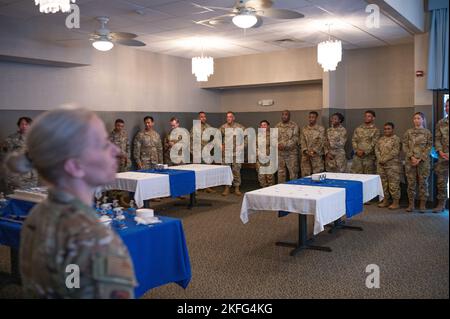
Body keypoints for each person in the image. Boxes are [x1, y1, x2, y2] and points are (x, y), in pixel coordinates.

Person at [5, 108, 136, 298]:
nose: (116, 150)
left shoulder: (39, 212)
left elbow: (69, 285)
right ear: (74, 166)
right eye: (102, 144)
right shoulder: (90, 236)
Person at [403, 112, 432, 213]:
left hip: (423, 162)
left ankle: (422, 205)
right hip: (410, 161)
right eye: (415, 118)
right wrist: (411, 157)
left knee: (423, 183)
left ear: (423, 120)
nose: (416, 120)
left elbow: (429, 147)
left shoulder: (427, 133)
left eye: (419, 118)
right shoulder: (408, 132)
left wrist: (419, 159)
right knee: (411, 183)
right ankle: (411, 205)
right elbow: (405, 145)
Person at [2, 117, 39, 193]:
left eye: (27, 124)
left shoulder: (36, 138)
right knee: (15, 197)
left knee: (30, 198)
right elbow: (4, 155)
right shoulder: (11, 139)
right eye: (22, 124)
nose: (24, 126)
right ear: (19, 125)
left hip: (32, 175)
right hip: (17, 175)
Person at [375, 122, 402, 210]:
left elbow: (395, 151)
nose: (386, 130)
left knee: (393, 185)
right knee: (383, 184)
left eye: (389, 128)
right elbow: (376, 149)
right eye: (385, 129)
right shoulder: (381, 139)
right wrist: (380, 158)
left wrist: (385, 159)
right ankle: (385, 200)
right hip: (381, 165)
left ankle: (395, 202)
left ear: (392, 129)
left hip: (393, 166)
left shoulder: (396, 139)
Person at [220, 111, 246, 196]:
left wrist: (242, 146)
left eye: (230, 117)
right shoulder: (223, 127)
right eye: (227, 117)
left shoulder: (239, 127)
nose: (229, 118)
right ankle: (227, 188)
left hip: (237, 153)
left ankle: (236, 188)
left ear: (233, 118)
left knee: (236, 170)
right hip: (226, 153)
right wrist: (221, 145)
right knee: (226, 170)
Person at [190, 111, 215, 193]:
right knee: (197, 170)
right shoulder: (195, 128)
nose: (203, 118)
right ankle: (196, 188)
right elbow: (191, 140)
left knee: (207, 169)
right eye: (201, 117)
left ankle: (207, 186)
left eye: (204, 116)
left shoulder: (208, 126)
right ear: (198, 118)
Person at [351, 110, 380, 174]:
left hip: (369, 158)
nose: (366, 118)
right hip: (357, 157)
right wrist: (357, 151)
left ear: (373, 118)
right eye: (365, 116)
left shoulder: (376, 130)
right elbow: (354, 140)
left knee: (368, 177)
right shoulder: (358, 129)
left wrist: (364, 152)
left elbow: (375, 143)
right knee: (356, 176)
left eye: (369, 116)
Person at [433, 99, 449, 213]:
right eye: (446, 106)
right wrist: (440, 151)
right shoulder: (441, 122)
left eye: (449, 106)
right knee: (441, 181)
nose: (447, 108)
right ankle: (441, 204)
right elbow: (437, 139)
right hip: (442, 157)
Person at [275, 110, 299, 183]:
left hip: (291, 154)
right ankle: (281, 189)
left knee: (293, 173)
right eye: (283, 114)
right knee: (281, 173)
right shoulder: (277, 126)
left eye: (286, 114)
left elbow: (295, 138)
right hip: (280, 154)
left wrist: (284, 145)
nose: (284, 116)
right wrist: (277, 145)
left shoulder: (294, 126)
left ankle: (294, 189)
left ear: (289, 116)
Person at [300, 111, 325, 177]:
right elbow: (302, 140)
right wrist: (305, 150)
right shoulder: (304, 128)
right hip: (306, 155)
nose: (311, 119)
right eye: (310, 117)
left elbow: (321, 141)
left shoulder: (321, 129)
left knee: (317, 175)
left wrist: (313, 151)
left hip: (316, 155)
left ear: (316, 118)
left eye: (313, 117)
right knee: (305, 175)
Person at [256, 120, 274, 188]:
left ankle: (270, 190)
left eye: (265, 125)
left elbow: (273, 146)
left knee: (269, 176)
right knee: (261, 176)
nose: (263, 126)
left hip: (268, 158)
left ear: (268, 126)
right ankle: (263, 188)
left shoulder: (271, 135)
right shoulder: (258, 135)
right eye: (261, 125)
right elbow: (255, 146)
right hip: (260, 159)